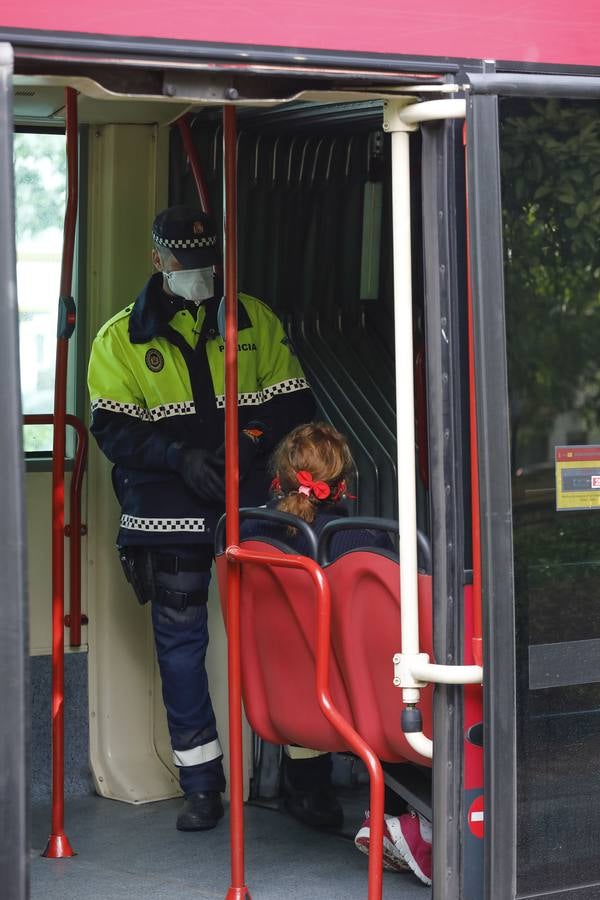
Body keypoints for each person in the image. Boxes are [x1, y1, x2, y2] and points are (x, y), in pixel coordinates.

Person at [87, 205, 316, 832]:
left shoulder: (252, 320)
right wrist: (177, 458)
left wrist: (244, 443)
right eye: (186, 266)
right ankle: (202, 785)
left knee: (290, 632)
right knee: (182, 647)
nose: (199, 276)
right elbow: (111, 428)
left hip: (253, 500)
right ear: (158, 261)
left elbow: (295, 404)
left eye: (207, 265)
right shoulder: (119, 339)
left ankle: (308, 776)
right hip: (167, 509)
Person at [240, 422, 432, 884]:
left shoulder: (249, 535)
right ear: (342, 485)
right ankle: (410, 823)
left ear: (279, 476)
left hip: (297, 699)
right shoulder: (361, 543)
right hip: (364, 705)